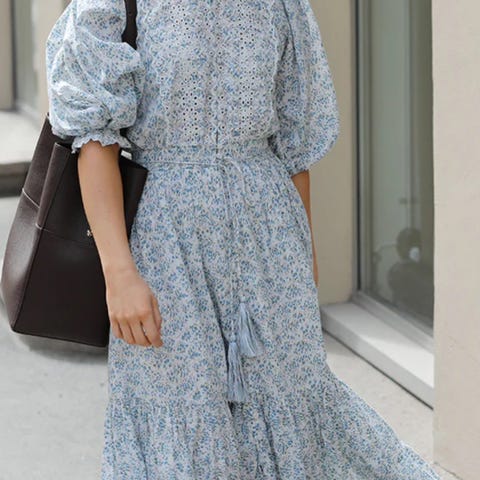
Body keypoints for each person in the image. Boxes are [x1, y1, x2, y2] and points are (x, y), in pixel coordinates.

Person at [45, 0, 441, 478]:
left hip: (269, 233)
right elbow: (94, 140)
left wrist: (304, 256)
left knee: (292, 407)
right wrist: (120, 274)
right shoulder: (111, 5)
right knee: (182, 418)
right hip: (165, 241)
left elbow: (294, 144)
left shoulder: (282, 5)